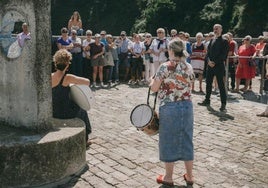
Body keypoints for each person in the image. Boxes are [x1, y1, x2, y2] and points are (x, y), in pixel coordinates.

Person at [150, 39, 195, 187]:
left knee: (168, 139)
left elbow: (154, 88)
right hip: (187, 106)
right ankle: (189, 176)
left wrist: (152, 82)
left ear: (171, 50)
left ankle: (168, 177)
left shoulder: (165, 67)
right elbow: (190, 86)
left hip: (169, 106)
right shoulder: (188, 66)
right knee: (187, 139)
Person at [51, 49, 92, 146]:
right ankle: (85, 140)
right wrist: (73, 82)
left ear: (55, 63)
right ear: (67, 64)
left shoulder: (50, 76)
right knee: (82, 109)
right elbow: (87, 82)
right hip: (64, 112)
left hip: (53, 110)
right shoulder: (67, 77)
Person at [198, 24, 229, 112]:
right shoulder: (212, 40)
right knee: (208, 83)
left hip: (218, 66)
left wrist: (214, 62)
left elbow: (224, 55)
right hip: (210, 66)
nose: (215, 30)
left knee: (221, 85)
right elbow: (207, 53)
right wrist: (208, 61)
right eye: (214, 29)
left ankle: (223, 104)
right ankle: (207, 100)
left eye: (217, 29)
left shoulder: (224, 41)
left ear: (221, 30)